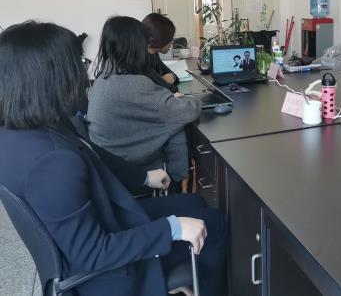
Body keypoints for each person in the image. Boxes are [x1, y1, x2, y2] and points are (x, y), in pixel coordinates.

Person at [0, 21, 226, 296]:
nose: (83, 74)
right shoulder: (51, 162)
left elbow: (93, 154)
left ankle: (188, 279)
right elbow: (93, 253)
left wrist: (144, 177)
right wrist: (172, 229)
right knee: (215, 225)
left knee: (194, 203)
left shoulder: (26, 130)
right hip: (111, 271)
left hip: (104, 222)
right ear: (51, 76)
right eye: (78, 64)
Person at [87, 16, 201, 181]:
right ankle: (176, 179)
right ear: (136, 44)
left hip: (108, 160)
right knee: (175, 126)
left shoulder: (104, 75)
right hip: (128, 166)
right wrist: (191, 99)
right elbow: (189, 110)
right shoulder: (135, 84)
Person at [142, 13, 179, 93]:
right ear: (160, 38)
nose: (172, 42)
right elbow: (171, 88)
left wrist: (168, 78)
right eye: (170, 38)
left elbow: (175, 78)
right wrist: (162, 80)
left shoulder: (154, 53)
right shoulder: (141, 59)